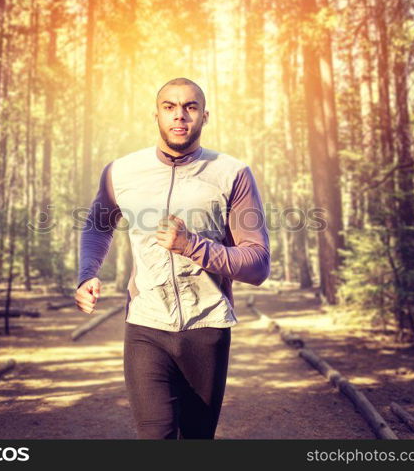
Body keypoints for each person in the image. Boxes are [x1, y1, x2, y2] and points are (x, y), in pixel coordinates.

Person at [74, 77, 270, 439]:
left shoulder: (232, 174)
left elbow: (258, 264)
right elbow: (98, 226)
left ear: (204, 116)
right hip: (146, 325)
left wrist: (192, 245)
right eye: (170, 107)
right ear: (156, 115)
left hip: (206, 328)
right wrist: (87, 274)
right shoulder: (121, 172)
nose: (180, 116)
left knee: (196, 440)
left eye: (190, 107)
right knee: (156, 437)